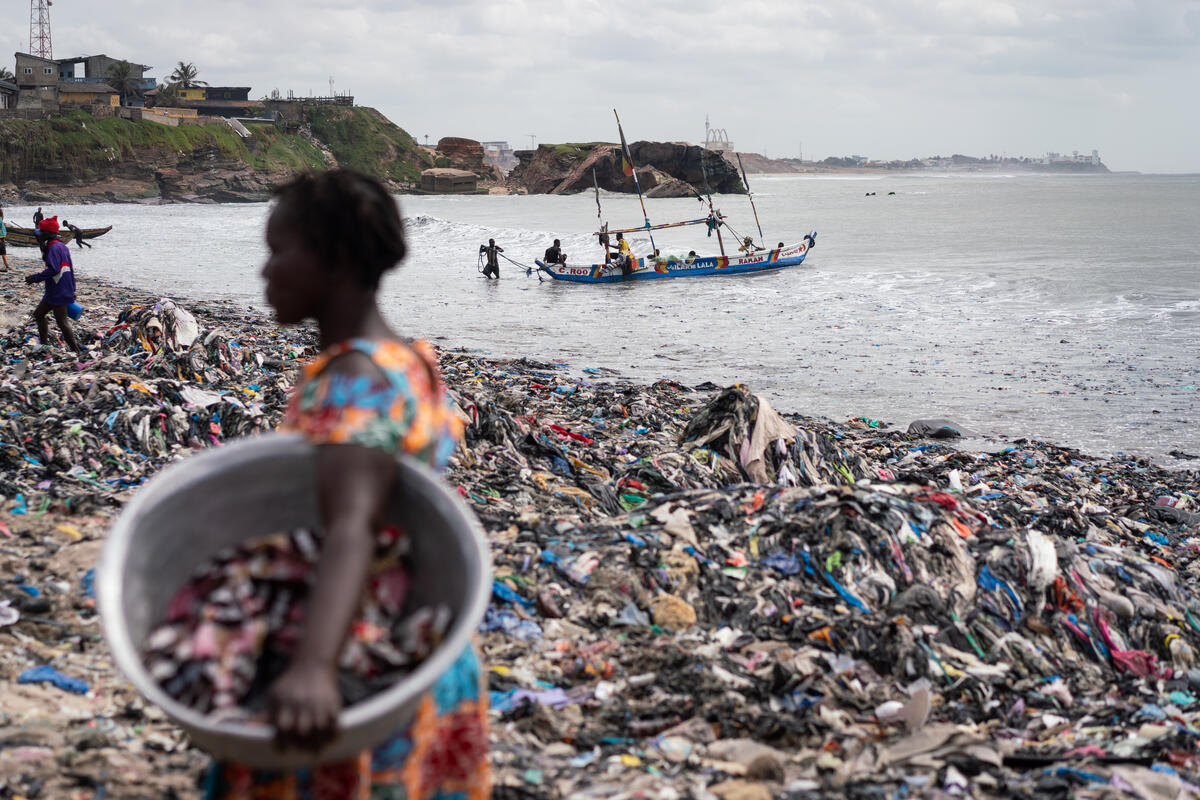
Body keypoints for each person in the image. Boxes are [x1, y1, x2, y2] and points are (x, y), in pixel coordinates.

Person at [203, 169, 488, 799]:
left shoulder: (353, 377)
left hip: (353, 656)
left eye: (279, 251)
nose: (265, 271)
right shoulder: (409, 359)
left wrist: (312, 668)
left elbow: (352, 527)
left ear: (334, 259)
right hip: (420, 647)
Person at [25, 217, 82, 354]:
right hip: (56, 288)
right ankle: (44, 345)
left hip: (58, 288)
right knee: (38, 314)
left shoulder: (54, 247)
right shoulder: (61, 246)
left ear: (49, 233)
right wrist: (72, 288)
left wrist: (35, 278)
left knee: (62, 321)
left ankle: (76, 351)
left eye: (42, 231)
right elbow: (70, 268)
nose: (40, 233)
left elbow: (54, 269)